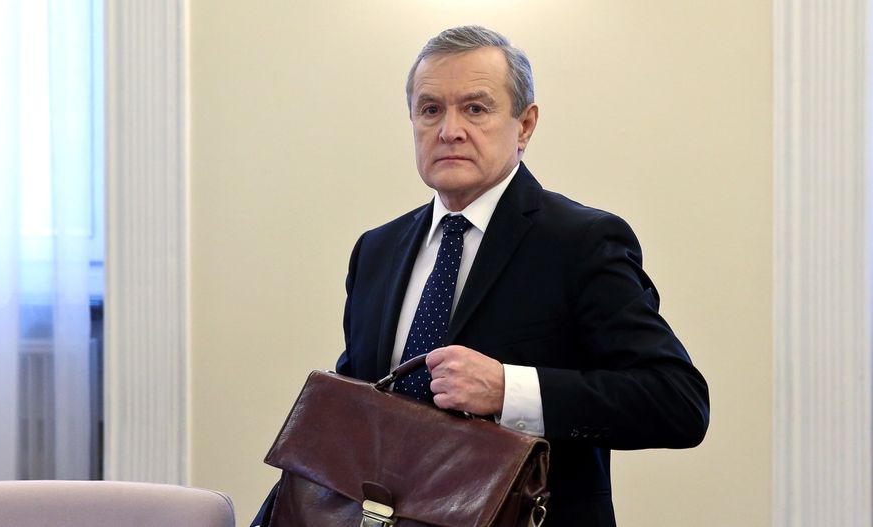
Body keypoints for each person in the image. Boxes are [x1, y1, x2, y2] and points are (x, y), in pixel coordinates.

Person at [254, 25, 709, 527]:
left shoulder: (581, 242)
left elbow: (677, 402)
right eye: (431, 110)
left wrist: (509, 390)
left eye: (475, 108)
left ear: (525, 125)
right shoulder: (376, 250)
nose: (449, 130)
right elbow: (359, 411)